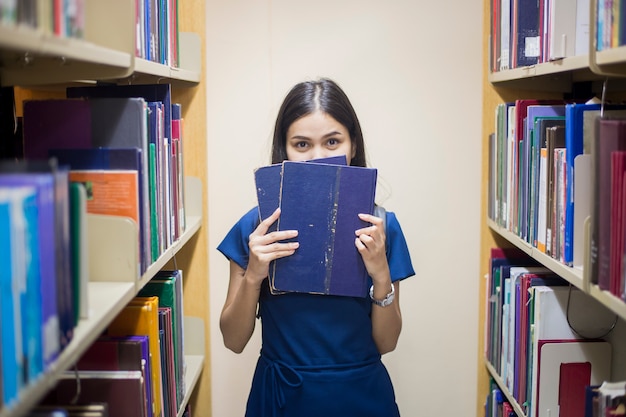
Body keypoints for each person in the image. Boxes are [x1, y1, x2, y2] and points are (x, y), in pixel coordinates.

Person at [217, 78, 415, 417]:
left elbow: (387, 343)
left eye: (332, 141)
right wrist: (253, 276)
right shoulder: (256, 228)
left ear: (353, 146)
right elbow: (233, 341)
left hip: (361, 396)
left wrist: (381, 274)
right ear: (285, 150)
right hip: (281, 396)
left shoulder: (381, 228)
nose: (318, 156)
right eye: (302, 144)